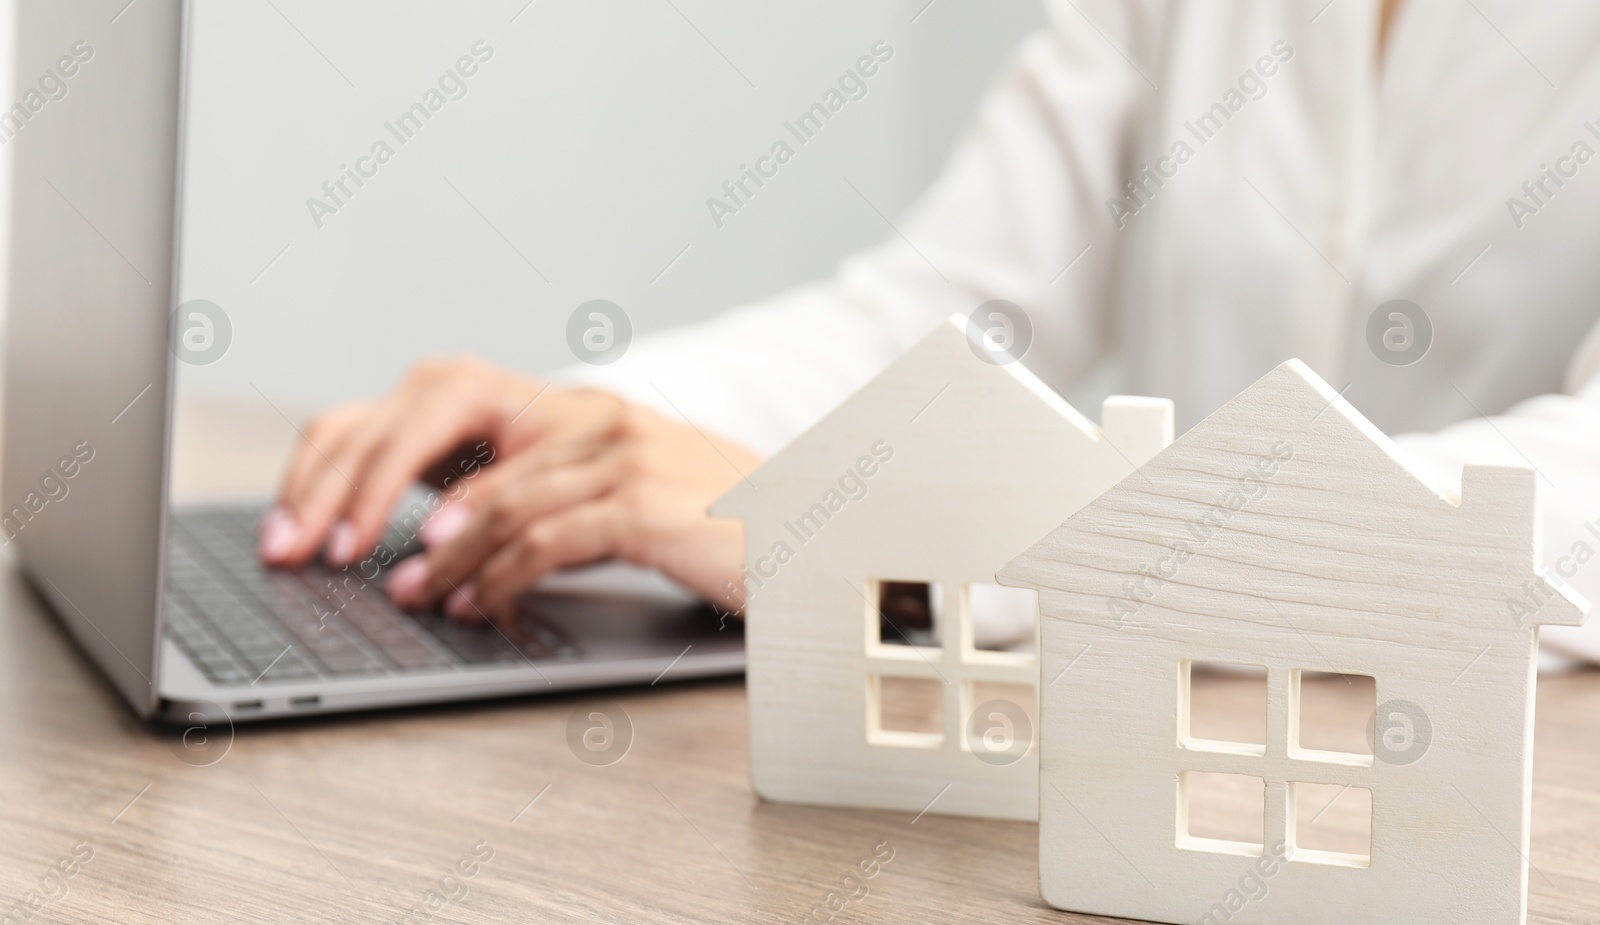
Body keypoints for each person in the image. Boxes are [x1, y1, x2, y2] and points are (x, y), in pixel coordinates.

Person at [258, 0, 1600, 663]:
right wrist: (589, 430)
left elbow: (1571, 501)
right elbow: (948, 310)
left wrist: (882, 536)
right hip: (1128, 780)